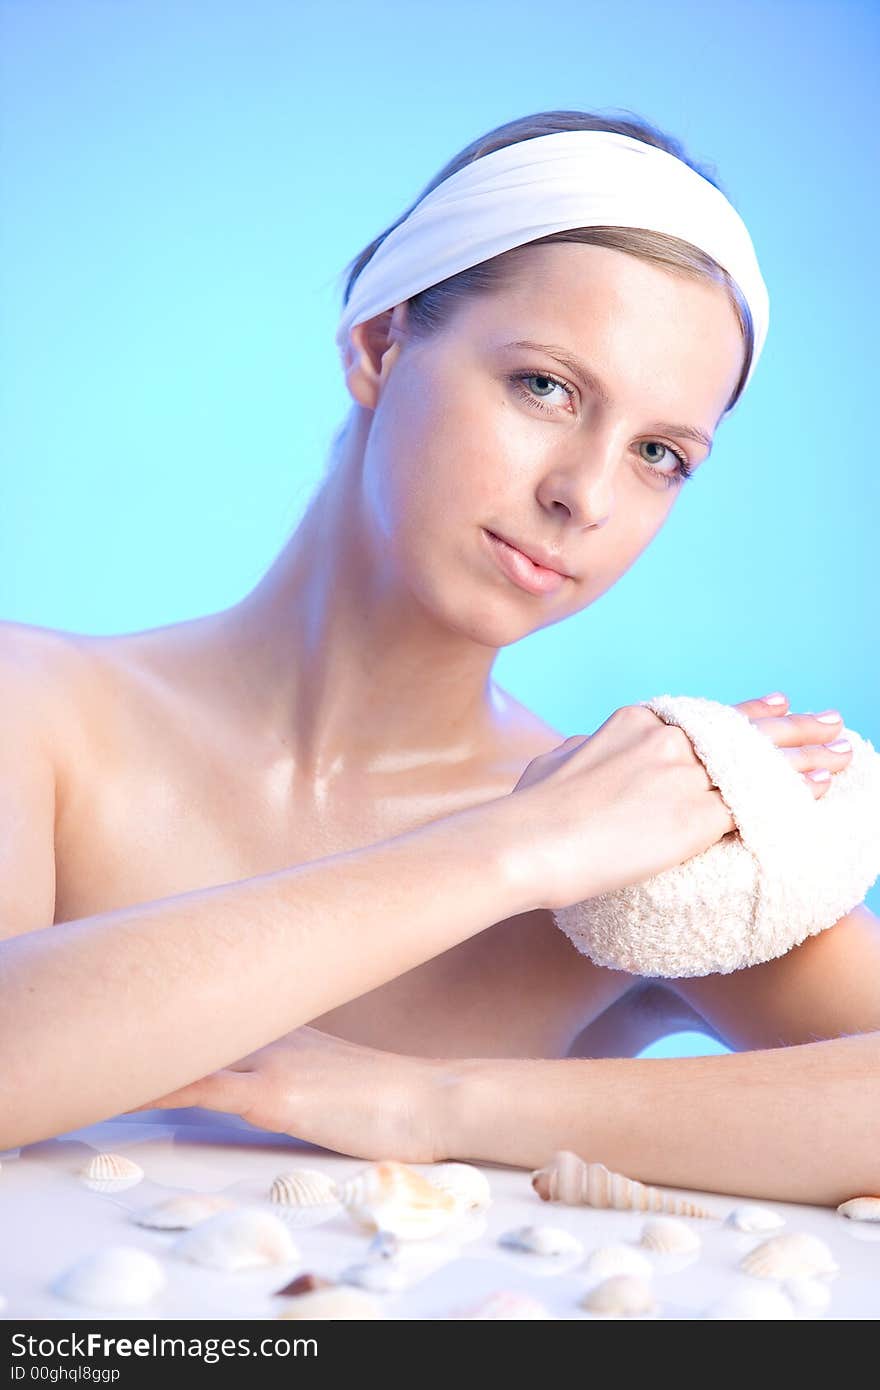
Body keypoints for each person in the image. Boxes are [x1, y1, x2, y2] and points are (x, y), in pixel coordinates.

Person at [1, 110, 877, 1205]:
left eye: (659, 455)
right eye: (544, 387)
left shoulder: (643, 843)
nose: (584, 495)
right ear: (380, 344)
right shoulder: (34, 715)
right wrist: (509, 848)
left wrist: (444, 1102)